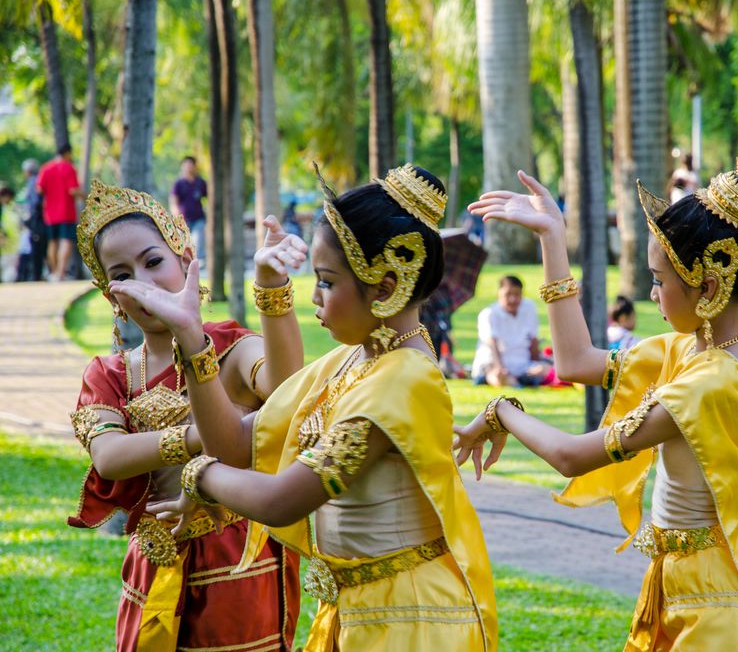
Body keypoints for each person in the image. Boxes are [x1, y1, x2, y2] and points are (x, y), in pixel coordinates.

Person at [133, 164, 497, 651]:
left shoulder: (404, 381)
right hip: (357, 612)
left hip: (411, 620)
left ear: (386, 287)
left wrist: (197, 475)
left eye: (326, 281)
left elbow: (283, 499)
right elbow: (235, 444)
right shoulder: (354, 359)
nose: (314, 297)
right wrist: (192, 341)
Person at [456, 168, 738, 650]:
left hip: (718, 609)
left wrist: (502, 410)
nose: (651, 294)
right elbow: (575, 361)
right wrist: (552, 238)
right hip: (681, 590)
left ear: (706, 287)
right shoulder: (688, 353)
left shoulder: (710, 381)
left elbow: (572, 457)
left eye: (659, 280)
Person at [67, 179, 306, 651]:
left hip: (238, 558)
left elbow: (285, 394)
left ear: (183, 255)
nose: (145, 282)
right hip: (153, 563)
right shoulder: (112, 373)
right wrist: (212, 435)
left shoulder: (232, 348)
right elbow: (111, 457)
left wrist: (271, 288)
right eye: (123, 275)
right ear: (111, 297)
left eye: (153, 261)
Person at [471, 275, 549, 387]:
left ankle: (521, 380)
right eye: (508, 295)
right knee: (498, 377)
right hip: (494, 364)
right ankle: (514, 382)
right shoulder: (488, 314)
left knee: (546, 369)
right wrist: (499, 367)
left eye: (517, 294)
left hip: (523, 364)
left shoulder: (529, 307)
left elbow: (533, 339)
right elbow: (491, 344)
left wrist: (537, 363)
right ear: (499, 294)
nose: (512, 299)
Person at [36, 143, 83, 281]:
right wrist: (86, 196)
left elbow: (39, 189)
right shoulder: (69, 168)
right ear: (68, 153)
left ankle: (55, 272)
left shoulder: (46, 168)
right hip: (66, 212)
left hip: (50, 214)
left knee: (52, 242)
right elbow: (72, 190)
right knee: (66, 241)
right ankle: (61, 273)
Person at [169, 156, 208, 261]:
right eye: (186, 165)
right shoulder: (178, 184)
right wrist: (177, 218)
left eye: (191, 165)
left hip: (198, 219)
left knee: (198, 242)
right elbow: (174, 201)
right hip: (184, 221)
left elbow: (210, 198)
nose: (188, 167)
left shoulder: (200, 183)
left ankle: (198, 265)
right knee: (184, 246)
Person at [21, 159, 47, 281]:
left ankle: (37, 275)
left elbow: (36, 202)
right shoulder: (35, 180)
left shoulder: (33, 181)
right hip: (39, 218)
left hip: (37, 219)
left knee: (37, 247)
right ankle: (38, 274)